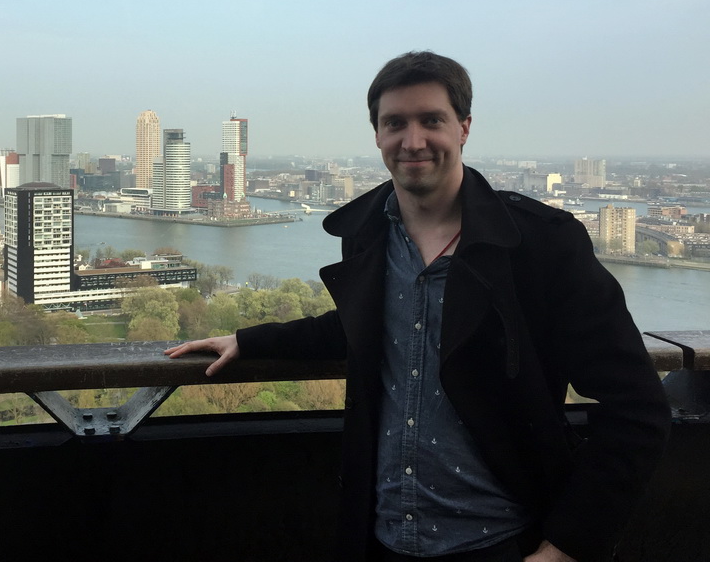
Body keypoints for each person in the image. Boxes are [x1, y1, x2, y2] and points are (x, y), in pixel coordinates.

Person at [165, 52, 670, 562]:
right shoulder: (368, 234)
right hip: (383, 538)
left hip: (502, 541)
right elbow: (372, 327)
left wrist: (566, 547)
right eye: (395, 123)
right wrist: (249, 341)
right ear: (377, 135)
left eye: (432, 120)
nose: (413, 141)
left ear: (464, 128)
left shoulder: (541, 245)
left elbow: (639, 409)